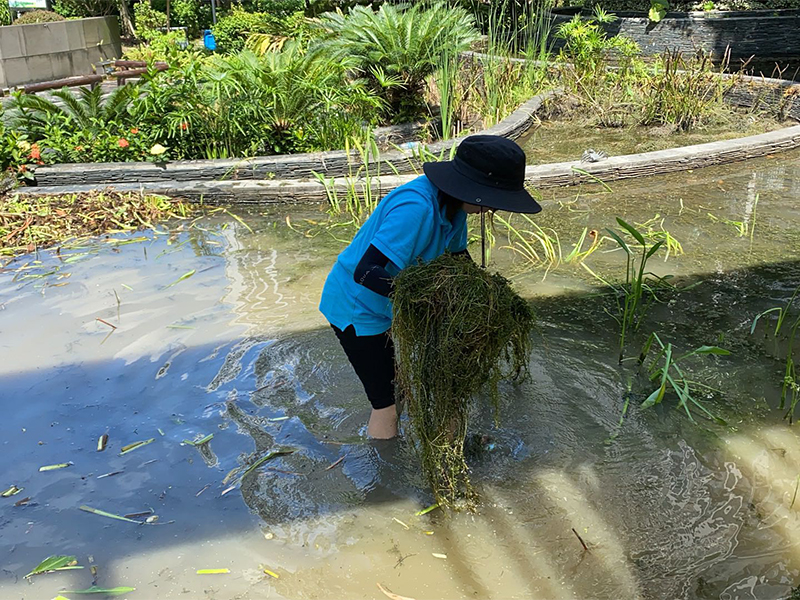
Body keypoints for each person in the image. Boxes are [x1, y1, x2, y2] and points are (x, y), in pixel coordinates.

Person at [319, 135, 542, 439]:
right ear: (473, 189)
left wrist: (488, 296)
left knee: (415, 382)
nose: (492, 209)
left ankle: (443, 440)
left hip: (390, 302)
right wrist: (426, 301)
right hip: (356, 307)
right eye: (492, 200)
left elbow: (458, 259)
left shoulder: (455, 207)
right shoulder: (416, 208)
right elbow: (366, 271)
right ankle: (386, 473)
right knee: (387, 401)